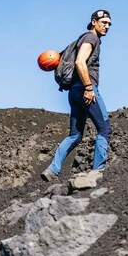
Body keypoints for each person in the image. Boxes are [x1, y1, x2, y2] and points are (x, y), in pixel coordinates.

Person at [41, 9, 112, 181]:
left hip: (73, 91)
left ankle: (52, 170)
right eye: (104, 22)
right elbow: (80, 61)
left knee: (75, 135)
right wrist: (88, 87)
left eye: (109, 24)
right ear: (94, 22)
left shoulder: (82, 39)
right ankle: (98, 171)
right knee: (105, 129)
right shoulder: (91, 38)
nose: (107, 26)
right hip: (85, 88)